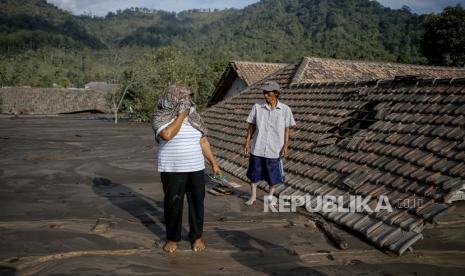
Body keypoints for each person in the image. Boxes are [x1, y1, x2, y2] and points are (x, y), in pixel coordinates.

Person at [152, 85, 221, 253]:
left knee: (197, 203)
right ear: (173, 98)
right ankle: (172, 238)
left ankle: (196, 237)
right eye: (183, 98)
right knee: (173, 204)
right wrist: (182, 115)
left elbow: (203, 141)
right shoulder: (160, 117)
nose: (187, 102)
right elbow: (167, 135)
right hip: (172, 169)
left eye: (188, 98)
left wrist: (213, 163)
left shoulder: (195, 117)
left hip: (196, 167)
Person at [243, 81, 296, 205]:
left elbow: (287, 129)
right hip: (258, 147)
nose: (265, 95)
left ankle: (270, 196)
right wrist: (247, 142)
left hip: (275, 149)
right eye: (264, 93)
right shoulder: (257, 107)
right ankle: (253, 196)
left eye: (268, 93)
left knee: (273, 175)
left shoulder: (285, 109)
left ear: (276, 93)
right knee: (254, 173)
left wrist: (286, 146)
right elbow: (251, 126)